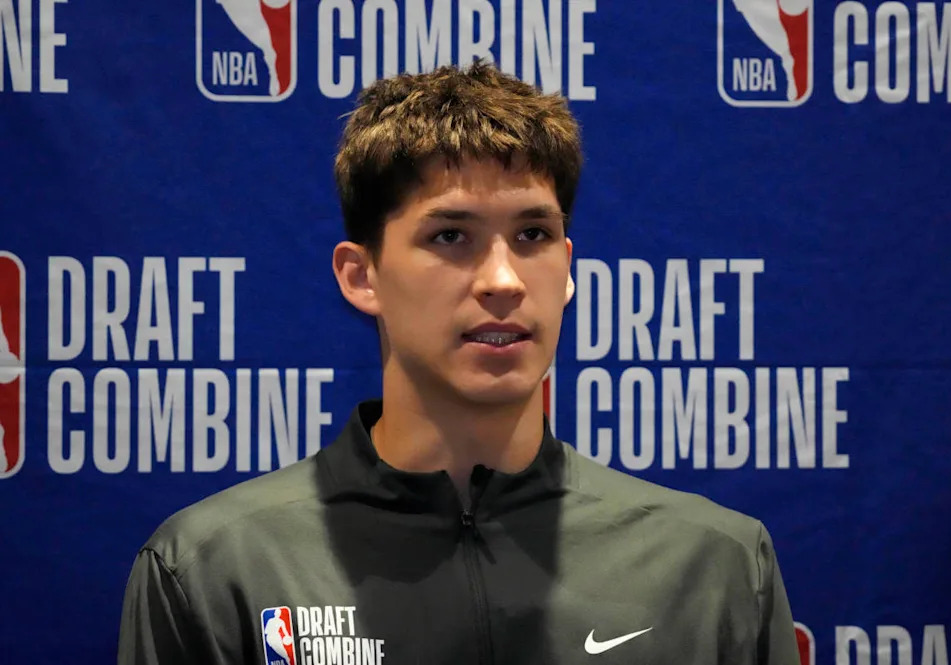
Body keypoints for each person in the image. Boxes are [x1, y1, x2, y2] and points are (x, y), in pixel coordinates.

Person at [118, 61, 800, 665]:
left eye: (533, 235)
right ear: (362, 276)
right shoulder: (214, 568)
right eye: (451, 236)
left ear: (565, 269)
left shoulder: (716, 565)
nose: (502, 279)